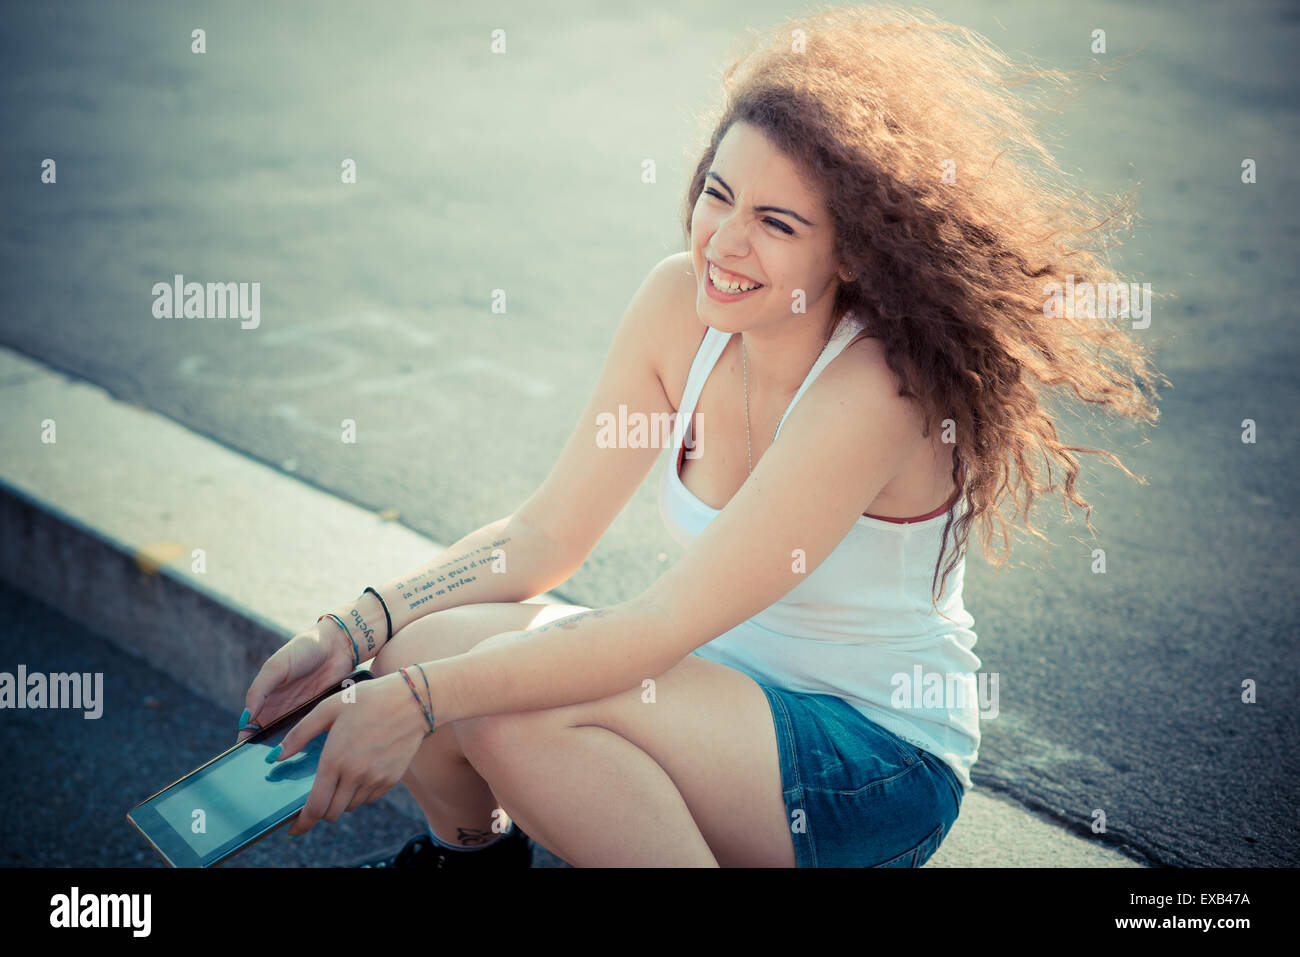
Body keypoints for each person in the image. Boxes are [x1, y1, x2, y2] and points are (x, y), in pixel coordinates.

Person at [236, 4, 1166, 868]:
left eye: (775, 222)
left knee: (502, 709)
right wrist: (352, 629)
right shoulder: (677, 304)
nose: (724, 241)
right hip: (716, 697)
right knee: (424, 642)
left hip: (869, 758)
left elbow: (656, 627)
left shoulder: (876, 389)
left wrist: (419, 704)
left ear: (848, 252)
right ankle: (469, 865)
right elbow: (544, 538)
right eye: (718, 195)